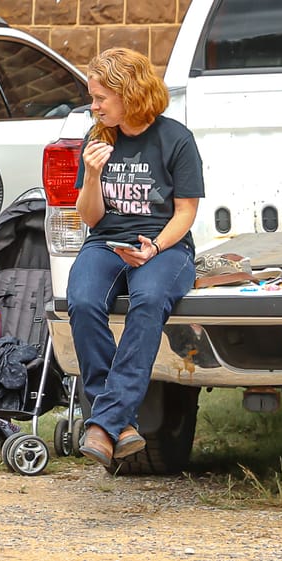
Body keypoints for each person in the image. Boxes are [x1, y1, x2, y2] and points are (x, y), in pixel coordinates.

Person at [62, 47, 204, 467]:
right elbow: (90, 218)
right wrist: (91, 175)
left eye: (100, 98)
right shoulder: (98, 138)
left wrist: (155, 246)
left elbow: (186, 212)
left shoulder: (176, 139)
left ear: (130, 94)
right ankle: (119, 423)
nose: (94, 106)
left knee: (148, 301)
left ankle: (103, 422)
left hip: (166, 245)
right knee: (82, 302)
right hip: (106, 241)